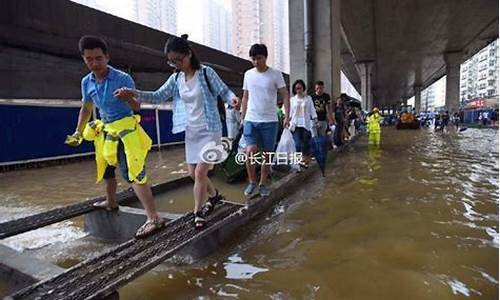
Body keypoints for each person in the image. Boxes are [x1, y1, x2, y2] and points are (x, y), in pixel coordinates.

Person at [114, 35, 239, 229]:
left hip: (210, 130)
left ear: (189, 54)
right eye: (171, 61)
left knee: (199, 173)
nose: (175, 65)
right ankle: (214, 196)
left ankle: (198, 213)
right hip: (192, 132)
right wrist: (133, 93)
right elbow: (157, 96)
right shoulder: (176, 79)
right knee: (192, 173)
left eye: (178, 60)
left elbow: (224, 91)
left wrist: (233, 99)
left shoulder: (206, 73)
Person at [67, 35, 163, 238]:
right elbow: (86, 108)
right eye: (89, 59)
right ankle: (111, 202)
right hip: (105, 131)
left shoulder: (122, 78)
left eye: (98, 58)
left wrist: (129, 98)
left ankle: (153, 217)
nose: (94, 63)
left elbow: (137, 108)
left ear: (107, 57)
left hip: (126, 132)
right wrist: (78, 131)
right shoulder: (87, 82)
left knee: (134, 173)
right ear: (84, 59)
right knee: (107, 169)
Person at [240, 43, 290, 197]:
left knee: (267, 155)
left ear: (265, 57)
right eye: (253, 59)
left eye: (259, 58)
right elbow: (245, 96)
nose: (256, 62)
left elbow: (285, 95)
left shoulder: (275, 75)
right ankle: (252, 181)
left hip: (270, 120)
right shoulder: (248, 74)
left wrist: (287, 115)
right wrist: (242, 116)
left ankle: (262, 183)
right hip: (251, 119)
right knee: (250, 151)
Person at [289, 79, 317, 169]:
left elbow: (312, 109)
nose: (298, 90)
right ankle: (297, 162)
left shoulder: (308, 99)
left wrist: (315, 118)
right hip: (295, 124)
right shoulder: (292, 100)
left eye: (300, 88)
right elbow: (290, 112)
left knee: (305, 144)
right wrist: (286, 120)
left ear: (303, 88)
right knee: (297, 144)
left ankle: (304, 161)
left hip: (305, 124)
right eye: (296, 88)